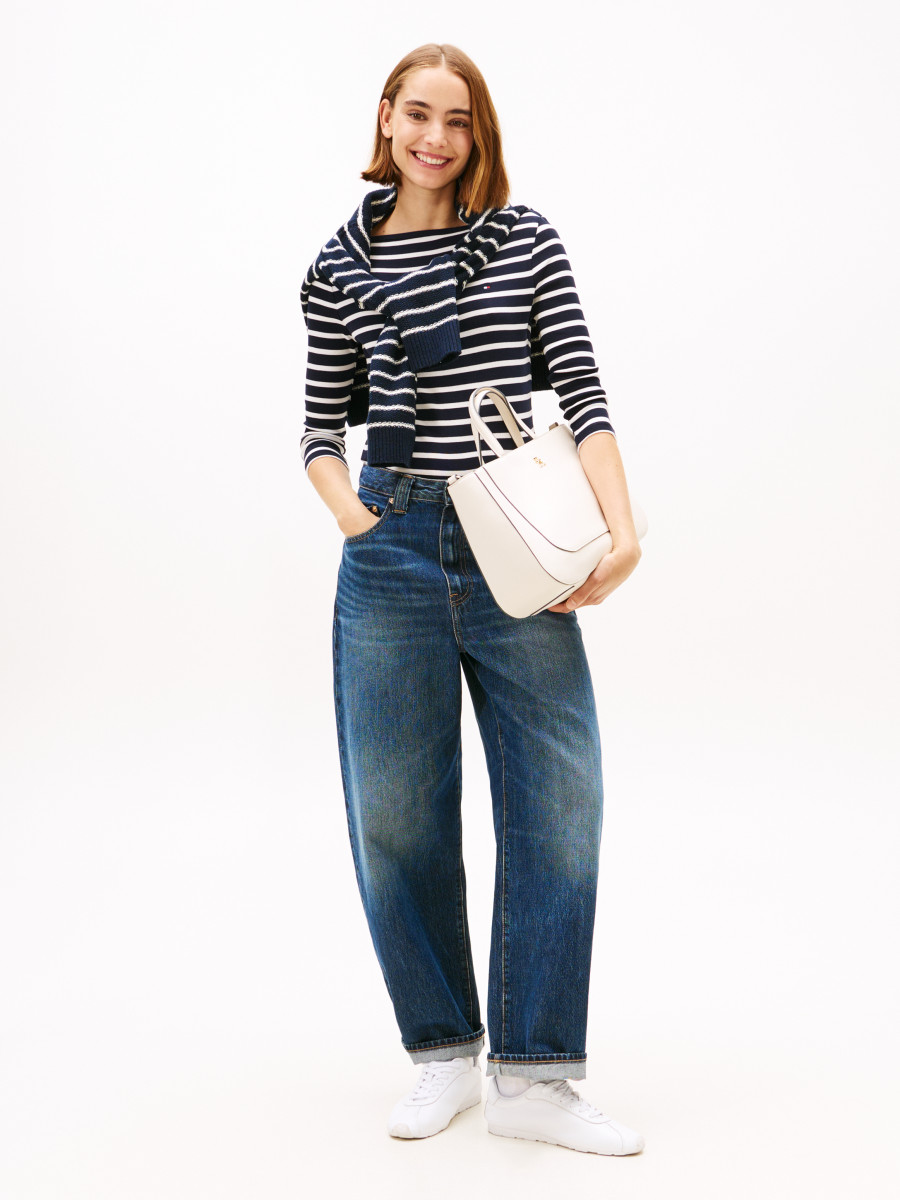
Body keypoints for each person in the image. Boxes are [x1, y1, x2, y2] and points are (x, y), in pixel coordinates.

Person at [300, 42, 645, 1156]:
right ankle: (443, 1053)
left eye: (457, 120)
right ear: (386, 119)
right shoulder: (336, 266)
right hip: (391, 548)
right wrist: (360, 522)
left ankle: (536, 1077)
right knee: (396, 814)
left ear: (479, 133)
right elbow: (319, 430)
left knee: (560, 799)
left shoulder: (523, 240)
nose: (435, 138)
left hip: (516, 543)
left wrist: (623, 531)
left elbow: (582, 391)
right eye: (417, 114)